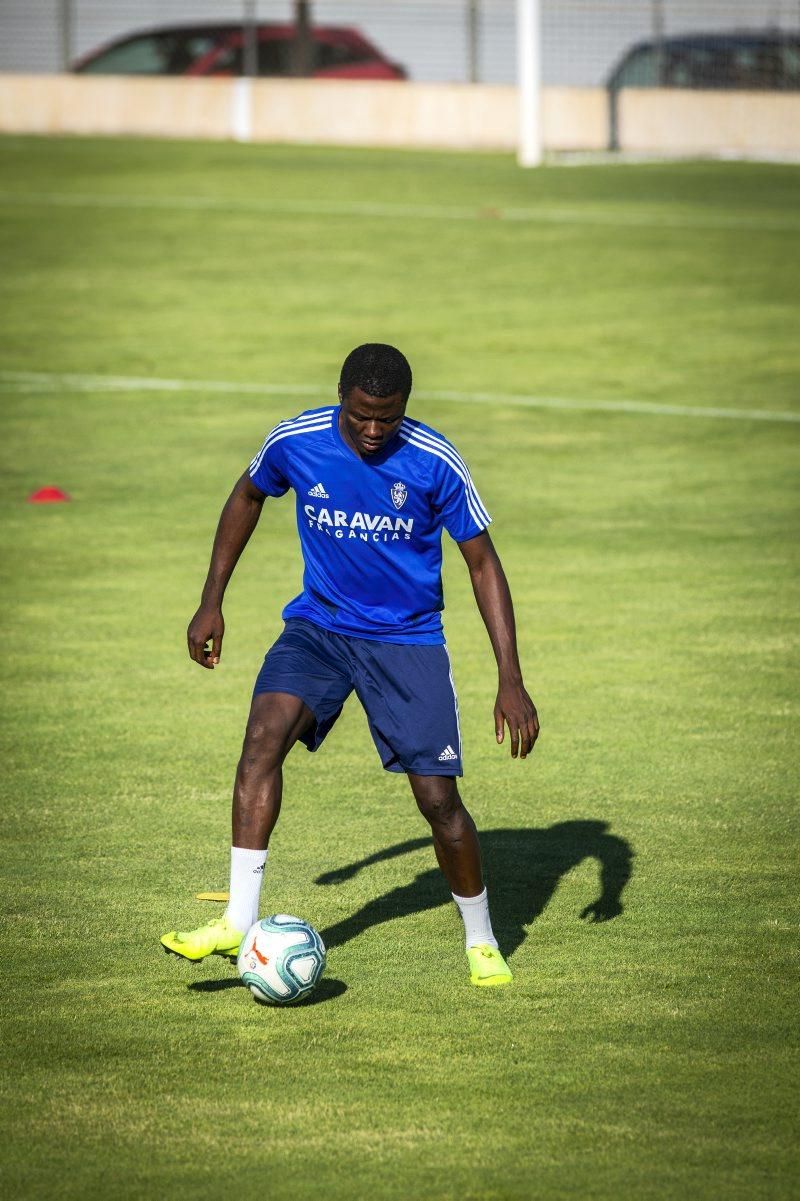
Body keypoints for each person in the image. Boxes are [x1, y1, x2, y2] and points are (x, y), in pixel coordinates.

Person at [161, 343, 539, 987]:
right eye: (361, 415)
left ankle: (480, 938)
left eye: (387, 418)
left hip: (406, 642)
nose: (371, 431)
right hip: (320, 629)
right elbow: (247, 496)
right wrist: (210, 602)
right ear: (342, 396)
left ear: (404, 408)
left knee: (438, 800)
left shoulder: (435, 461)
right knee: (260, 742)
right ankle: (237, 920)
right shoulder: (296, 441)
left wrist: (511, 677)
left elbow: (482, 562)